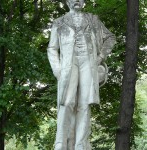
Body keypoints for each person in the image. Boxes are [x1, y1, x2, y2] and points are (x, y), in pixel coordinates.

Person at [47, 0, 116, 149]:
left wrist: (100, 57)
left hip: (88, 63)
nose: (77, 0)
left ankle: (81, 145)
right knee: (67, 103)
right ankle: (60, 144)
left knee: (84, 105)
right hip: (68, 65)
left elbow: (110, 38)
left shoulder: (93, 19)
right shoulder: (59, 22)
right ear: (68, 1)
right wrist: (57, 70)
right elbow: (52, 48)